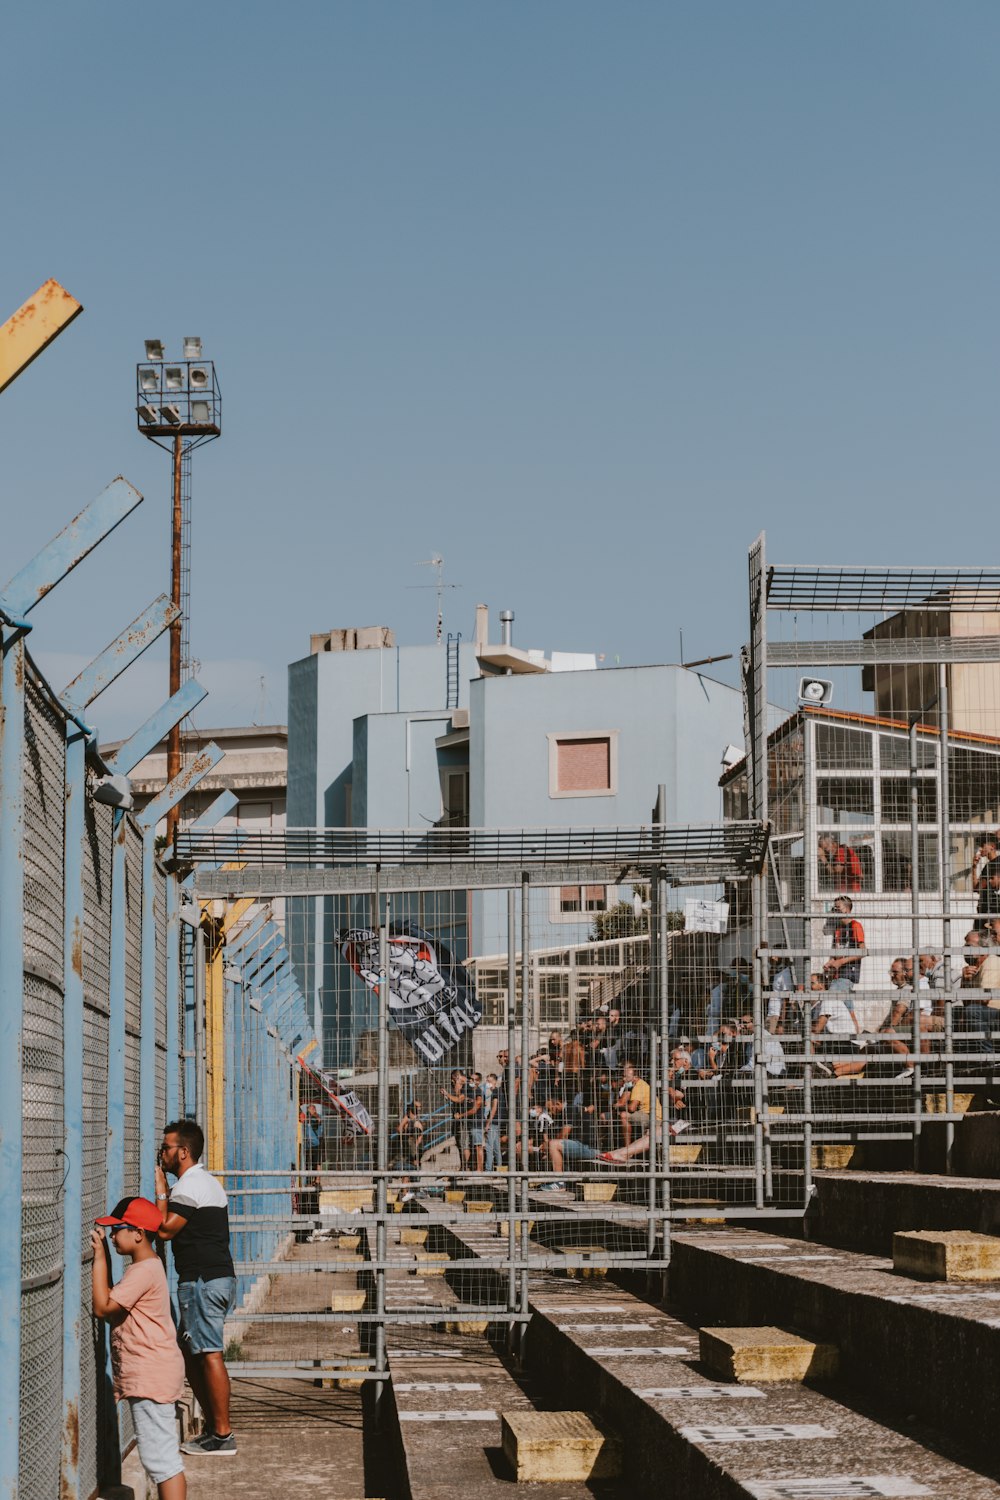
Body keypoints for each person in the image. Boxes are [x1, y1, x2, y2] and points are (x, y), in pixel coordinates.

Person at [91, 1197, 186, 1499]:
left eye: (118, 1229)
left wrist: (100, 1259)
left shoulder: (142, 1271)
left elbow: (103, 1307)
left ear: (138, 1233)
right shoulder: (148, 1266)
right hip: (155, 1373)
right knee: (162, 1459)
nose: (114, 1235)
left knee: (163, 1463)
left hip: (150, 1377)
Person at [154, 1119, 237, 1457]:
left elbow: (164, 1229)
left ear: (183, 1152)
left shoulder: (189, 1186)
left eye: (166, 1148)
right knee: (193, 1355)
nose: (161, 1154)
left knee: (209, 1353)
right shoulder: (206, 1182)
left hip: (203, 1282)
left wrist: (161, 1189)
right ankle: (214, 1430)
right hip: (213, 1278)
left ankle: (222, 1435)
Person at [824, 896, 866, 1003]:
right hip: (836, 974)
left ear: (847, 909)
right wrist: (830, 963)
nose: (835, 910)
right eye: (834, 908)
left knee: (831, 1003)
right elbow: (838, 953)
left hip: (847, 974)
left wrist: (841, 961)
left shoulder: (855, 926)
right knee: (845, 1009)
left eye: (838, 907)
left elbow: (863, 951)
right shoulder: (838, 929)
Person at [483, 1074, 502, 1173]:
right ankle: (499, 1168)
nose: (488, 1083)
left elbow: (494, 1108)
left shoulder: (495, 1092)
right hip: (497, 1122)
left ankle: (488, 1169)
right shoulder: (498, 1091)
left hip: (493, 1122)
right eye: (487, 1081)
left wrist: (487, 1123)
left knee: (489, 1147)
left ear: (495, 1082)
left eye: (489, 1081)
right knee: (496, 1147)